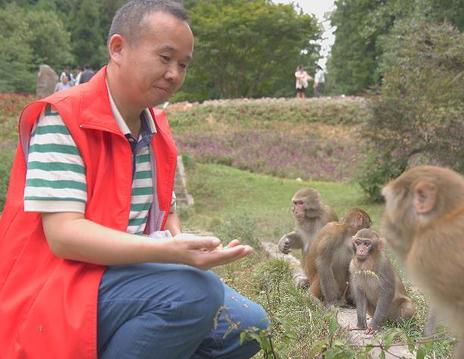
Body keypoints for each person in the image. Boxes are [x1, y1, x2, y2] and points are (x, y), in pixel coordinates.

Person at [0, 1, 269, 359]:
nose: (174, 74)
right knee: (193, 294)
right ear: (118, 48)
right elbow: (63, 237)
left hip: (126, 276)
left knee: (250, 326)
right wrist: (169, 252)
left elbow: (162, 212)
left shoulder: (155, 129)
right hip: (57, 284)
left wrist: (185, 245)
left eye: (183, 65)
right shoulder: (63, 117)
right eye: (165, 58)